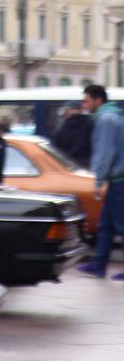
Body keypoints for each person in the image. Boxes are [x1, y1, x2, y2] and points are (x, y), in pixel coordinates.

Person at [79, 85, 124, 278]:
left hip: (118, 179)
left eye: (86, 100)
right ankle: (99, 264)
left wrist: (98, 181)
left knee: (121, 225)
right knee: (105, 225)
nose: (84, 104)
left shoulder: (106, 119)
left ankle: (99, 264)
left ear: (98, 100)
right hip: (117, 179)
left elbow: (105, 152)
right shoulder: (114, 116)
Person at [55, 93, 97, 169]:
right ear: (81, 110)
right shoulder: (91, 123)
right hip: (89, 165)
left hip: (69, 166)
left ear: (69, 110)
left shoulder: (62, 128)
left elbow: (57, 150)